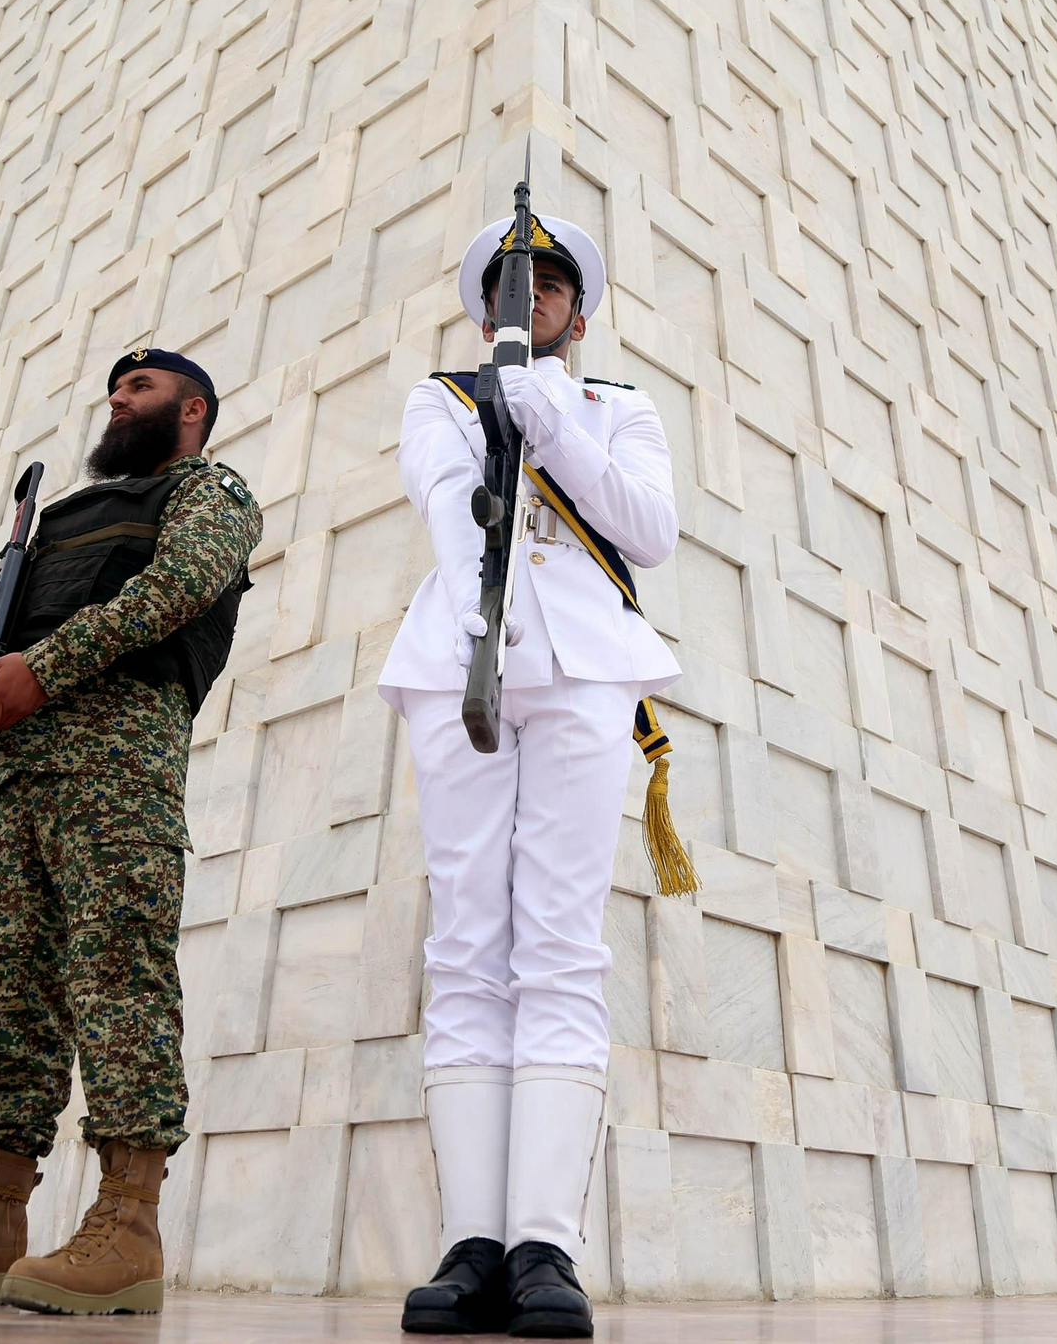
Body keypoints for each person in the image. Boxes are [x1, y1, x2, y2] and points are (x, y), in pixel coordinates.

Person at [0, 349, 261, 1316]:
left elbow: (176, 587)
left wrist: (46, 666)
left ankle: (129, 1227)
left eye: (141, 389)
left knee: (118, 978)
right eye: (115, 389)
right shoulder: (64, 518)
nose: (119, 399)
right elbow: (5, 635)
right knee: (8, 992)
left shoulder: (210, 491)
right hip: (22, 779)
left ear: (193, 408)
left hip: (119, 768)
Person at [381, 215, 687, 1337]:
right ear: (483, 314)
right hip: (464, 660)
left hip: (587, 670)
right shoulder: (439, 399)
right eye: (513, 283)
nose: (533, 296)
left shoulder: (618, 408)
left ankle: (543, 1244)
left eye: (551, 283)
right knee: (466, 941)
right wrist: (483, 621)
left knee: (559, 944)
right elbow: (445, 506)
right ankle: (471, 1243)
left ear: (578, 314)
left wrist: (551, 423)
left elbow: (649, 530)